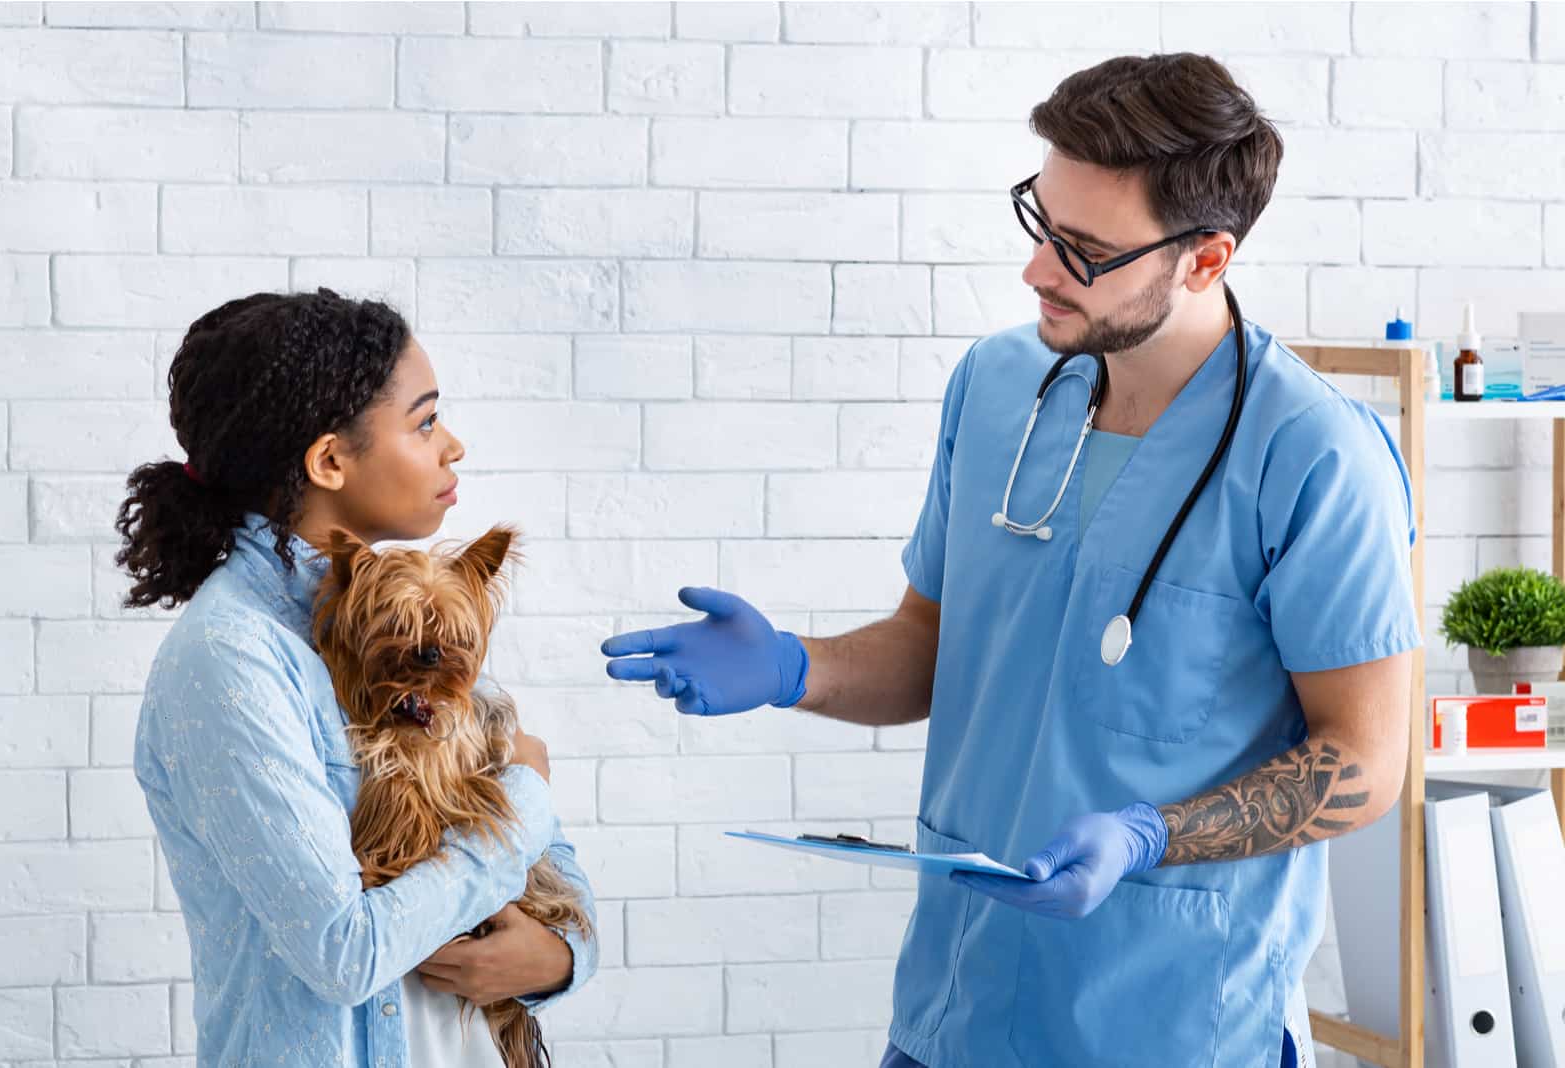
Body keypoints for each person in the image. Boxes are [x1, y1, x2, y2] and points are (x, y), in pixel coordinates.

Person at [601, 54, 1418, 1067]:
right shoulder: (997, 386)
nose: (1037, 270)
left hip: (1171, 1024)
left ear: (1203, 259)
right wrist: (794, 668)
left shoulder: (1312, 454)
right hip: (955, 1010)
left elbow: (1365, 763)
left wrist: (1146, 836)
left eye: (1083, 250)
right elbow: (933, 645)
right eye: (1041, 222)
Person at [120, 289, 597, 1066]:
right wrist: (527, 795)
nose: (455, 447)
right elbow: (345, 952)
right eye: (425, 420)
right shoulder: (229, 661)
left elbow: (553, 884)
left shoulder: (410, 620)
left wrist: (560, 961)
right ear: (330, 460)